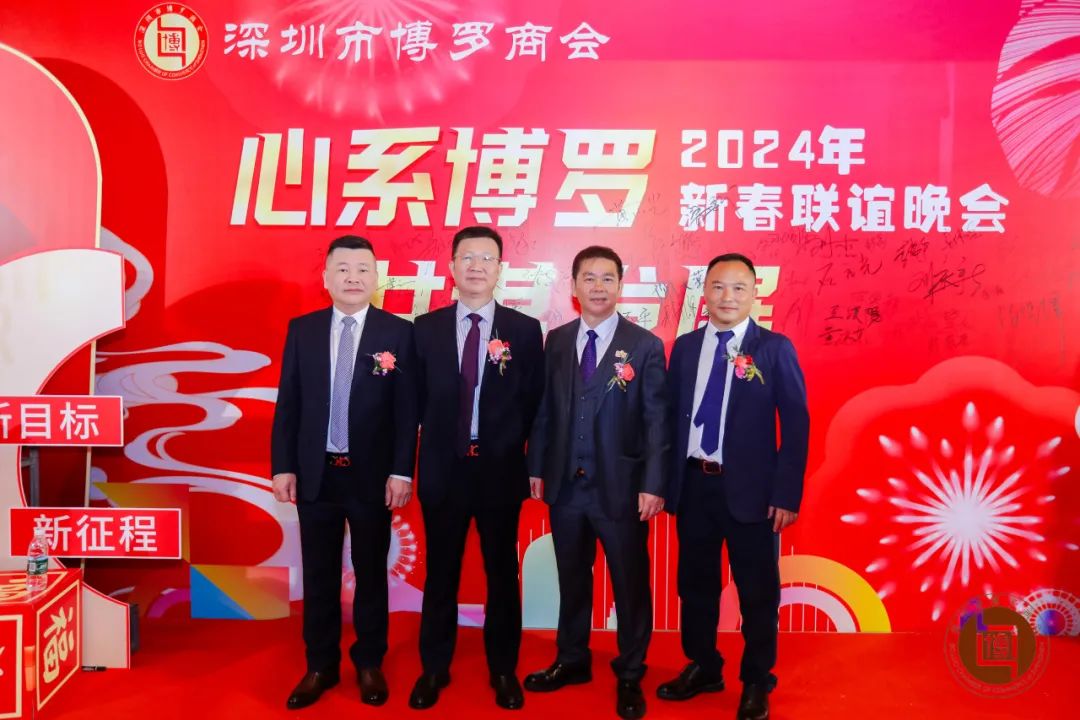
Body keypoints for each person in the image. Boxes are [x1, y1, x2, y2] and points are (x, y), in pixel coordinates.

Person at [657, 253, 809, 720]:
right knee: (695, 585)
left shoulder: (774, 348)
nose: (727, 297)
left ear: (754, 293)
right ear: (704, 293)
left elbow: (796, 424)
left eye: (738, 288)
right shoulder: (685, 348)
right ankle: (704, 666)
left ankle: (757, 679)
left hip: (753, 494)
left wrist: (785, 494)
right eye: (718, 287)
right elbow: (670, 418)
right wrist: (663, 482)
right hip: (694, 486)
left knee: (757, 592)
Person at [270, 235, 418, 710]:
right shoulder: (303, 330)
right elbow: (289, 404)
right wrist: (283, 466)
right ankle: (320, 665)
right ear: (326, 278)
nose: (353, 277)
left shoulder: (398, 333)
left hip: (372, 476)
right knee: (319, 575)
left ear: (377, 278)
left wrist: (401, 471)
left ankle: (369, 662)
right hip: (317, 474)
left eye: (362, 269)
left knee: (372, 573)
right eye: (343, 269)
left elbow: (406, 412)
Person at [524, 245, 668, 720]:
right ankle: (572, 659)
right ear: (574, 286)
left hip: (621, 487)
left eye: (608, 278)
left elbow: (656, 421)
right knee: (572, 577)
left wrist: (653, 483)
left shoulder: (644, 345)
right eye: (589, 278)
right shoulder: (558, 340)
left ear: (621, 286)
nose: (599, 287)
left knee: (629, 583)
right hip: (567, 485)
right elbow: (545, 409)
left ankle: (630, 672)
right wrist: (537, 467)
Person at [408, 226, 544, 711]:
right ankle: (434, 667)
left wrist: (531, 461)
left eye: (487, 258)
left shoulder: (523, 330)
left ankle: (503, 669)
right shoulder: (424, 329)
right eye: (467, 257)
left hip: (499, 473)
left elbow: (536, 405)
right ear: (451, 266)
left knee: (502, 572)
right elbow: (411, 404)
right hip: (443, 470)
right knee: (440, 572)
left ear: (500, 269)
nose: (476, 266)